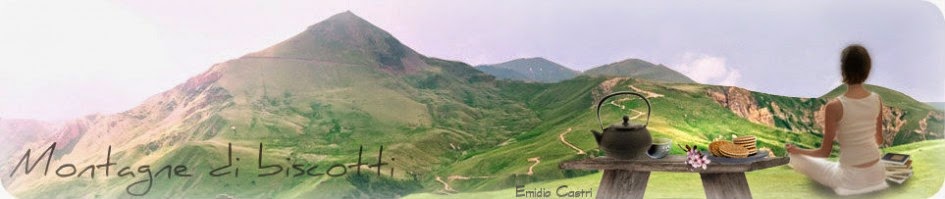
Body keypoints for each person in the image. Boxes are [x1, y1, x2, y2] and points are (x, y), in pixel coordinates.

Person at [786, 44, 888, 196]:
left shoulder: (834, 106)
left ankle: (793, 156)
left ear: (843, 70)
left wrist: (796, 151)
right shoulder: (876, 99)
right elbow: (878, 140)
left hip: (850, 181)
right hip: (877, 174)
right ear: (867, 68)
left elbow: (824, 152)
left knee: (797, 159)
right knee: (830, 166)